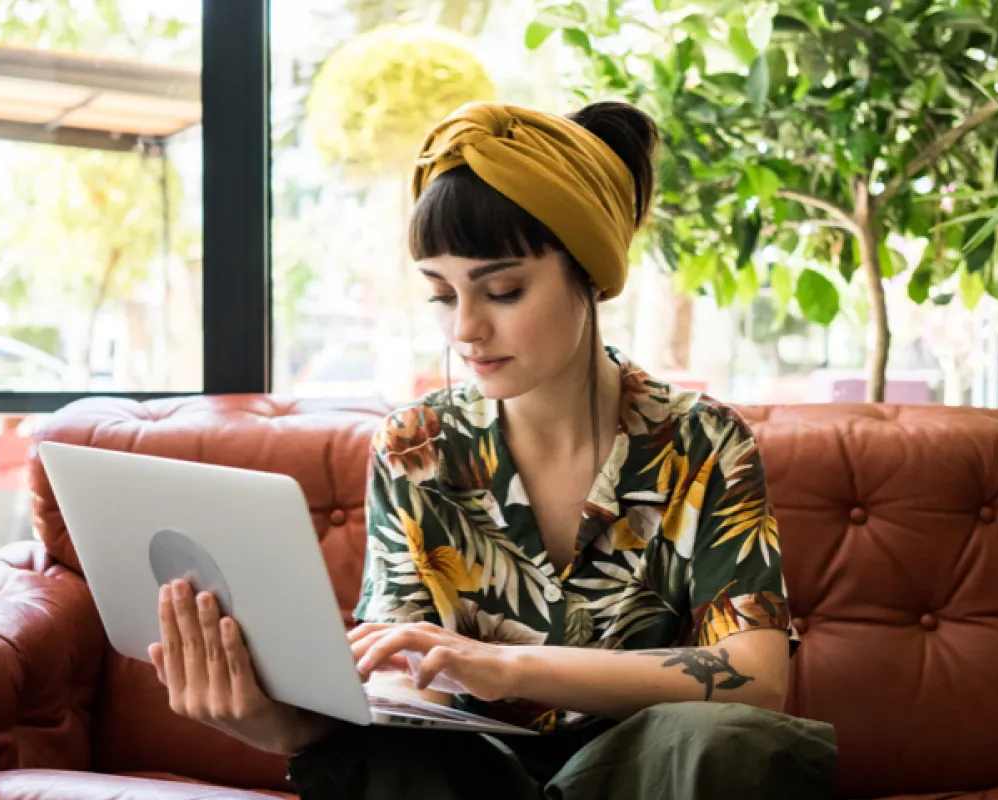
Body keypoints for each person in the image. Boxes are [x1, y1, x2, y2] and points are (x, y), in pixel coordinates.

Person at [148, 100, 838, 799]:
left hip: (649, 775)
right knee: (384, 758)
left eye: (502, 290)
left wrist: (507, 667)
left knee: (725, 740)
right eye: (442, 296)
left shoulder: (704, 441)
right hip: (472, 777)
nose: (466, 330)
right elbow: (400, 677)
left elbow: (755, 674)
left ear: (589, 274)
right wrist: (271, 723)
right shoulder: (416, 446)